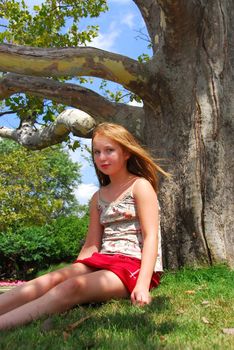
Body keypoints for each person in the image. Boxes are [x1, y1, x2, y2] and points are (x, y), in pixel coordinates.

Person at [0, 122, 169, 330]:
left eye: (109, 150)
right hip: (103, 261)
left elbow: (151, 236)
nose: (102, 158)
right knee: (49, 280)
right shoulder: (97, 197)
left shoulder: (140, 186)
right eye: (97, 152)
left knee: (72, 287)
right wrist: (76, 269)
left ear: (126, 153)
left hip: (132, 266)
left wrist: (142, 285)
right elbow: (91, 245)